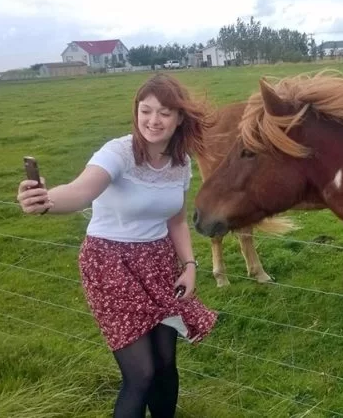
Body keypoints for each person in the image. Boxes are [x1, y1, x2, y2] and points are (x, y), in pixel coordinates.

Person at [16, 73, 218, 418]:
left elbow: (177, 220)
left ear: (179, 118)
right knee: (141, 374)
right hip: (110, 265)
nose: (153, 121)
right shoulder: (118, 152)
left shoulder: (180, 163)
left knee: (166, 364)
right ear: (136, 112)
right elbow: (81, 190)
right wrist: (46, 200)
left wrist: (189, 266)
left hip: (159, 264)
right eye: (146, 110)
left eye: (164, 113)